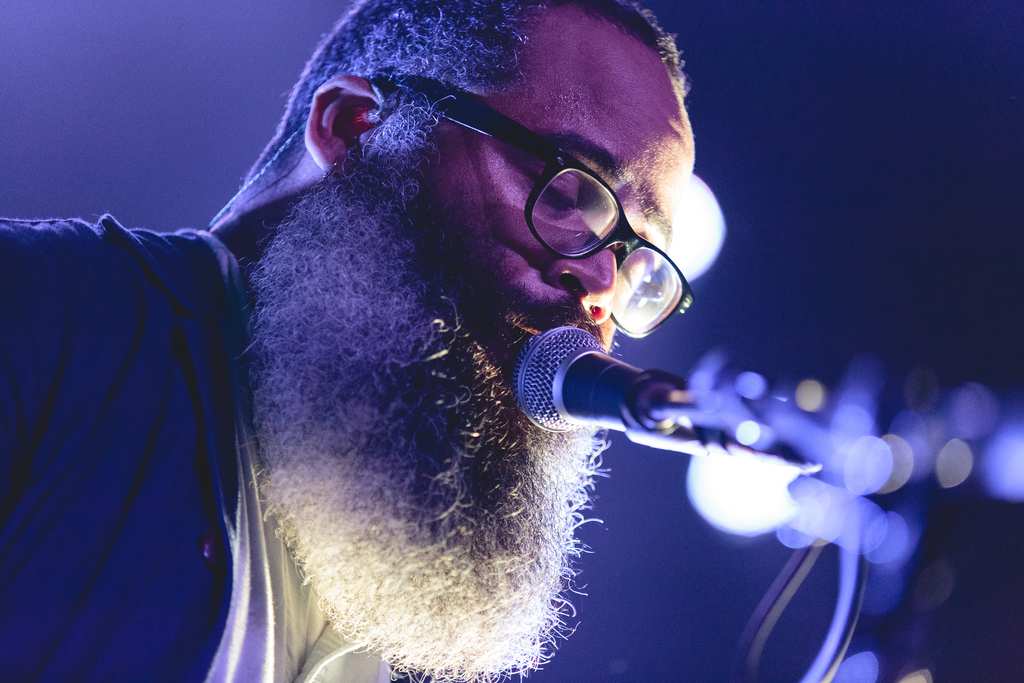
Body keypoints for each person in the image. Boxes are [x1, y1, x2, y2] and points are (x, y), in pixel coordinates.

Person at [0, 0, 695, 681]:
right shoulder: (45, 309)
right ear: (357, 128)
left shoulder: (373, 597)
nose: (603, 284)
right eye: (571, 196)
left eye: (641, 260)